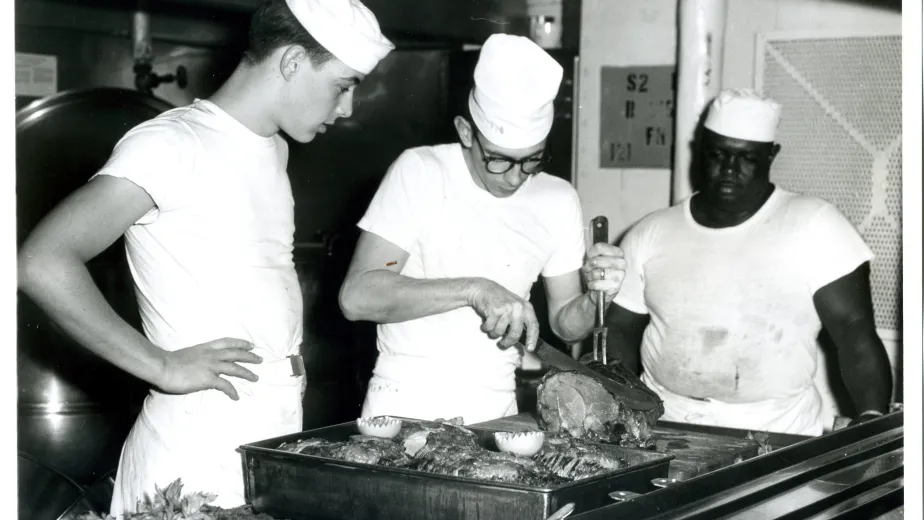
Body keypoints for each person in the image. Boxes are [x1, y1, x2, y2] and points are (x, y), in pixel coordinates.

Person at [17, 0, 393, 514]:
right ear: (291, 62)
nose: (347, 108)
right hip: (195, 448)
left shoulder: (272, 149)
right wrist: (163, 367)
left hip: (269, 436)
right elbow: (42, 260)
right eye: (343, 84)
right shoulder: (173, 143)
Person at [338, 33, 626, 425]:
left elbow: (566, 326)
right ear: (466, 131)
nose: (514, 179)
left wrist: (597, 297)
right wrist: (474, 289)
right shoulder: (422, 171)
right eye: (499, 160)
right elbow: (357, 297)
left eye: (531, 161)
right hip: (402, 405)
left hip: (497, 414)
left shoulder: (557, 200)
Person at [605, 88, 893, 437]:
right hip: (665, 427)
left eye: (747, 159)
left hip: (778, 431)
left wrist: (872, 418)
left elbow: (854, 333)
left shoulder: (814, 224)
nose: (729, 170)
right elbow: (619, 328)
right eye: (718, 154)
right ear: (700, 151)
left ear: (771, 155)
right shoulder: (652, 231)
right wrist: (627, 403)